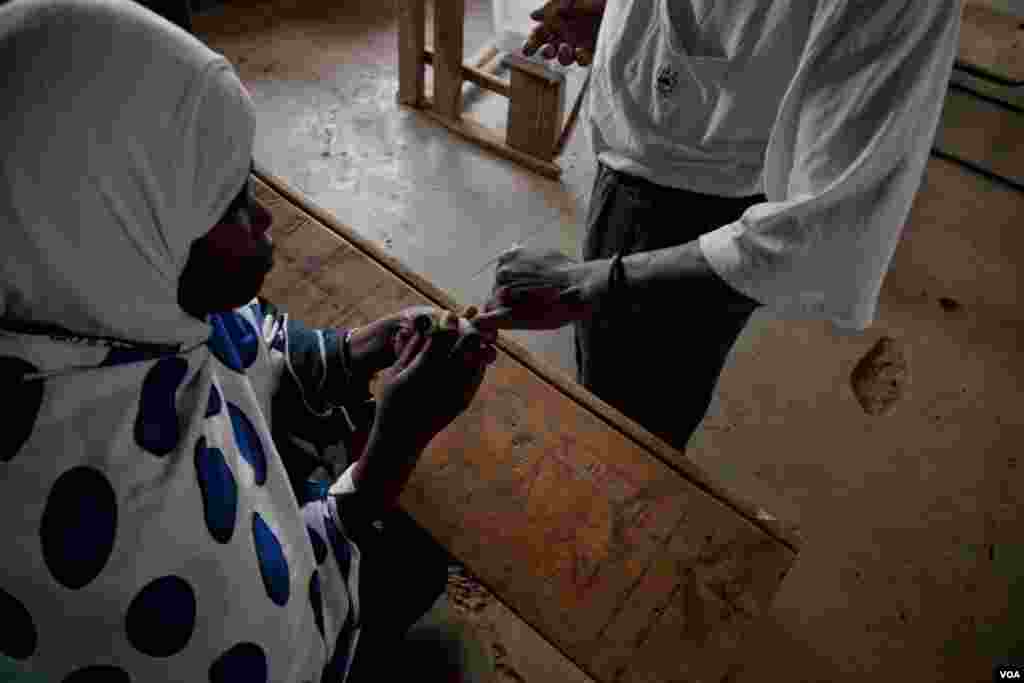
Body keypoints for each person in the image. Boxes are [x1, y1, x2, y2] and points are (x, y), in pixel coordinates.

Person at [0, 0, 497, 681]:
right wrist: (395, 443)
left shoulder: (83, 284)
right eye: (227, 201)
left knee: (410, 545)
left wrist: (353, 350)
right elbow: (286, 648)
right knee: (425, 607)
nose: (266, 216)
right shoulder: (113, 537)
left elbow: (242, 342)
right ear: (125, 229)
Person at [474, 0, 964, 453]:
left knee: (629, 427)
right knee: (612, 390)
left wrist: (578, 284)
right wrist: (645, 26)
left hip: (701, 207)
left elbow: (825, 231)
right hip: (636, 161)